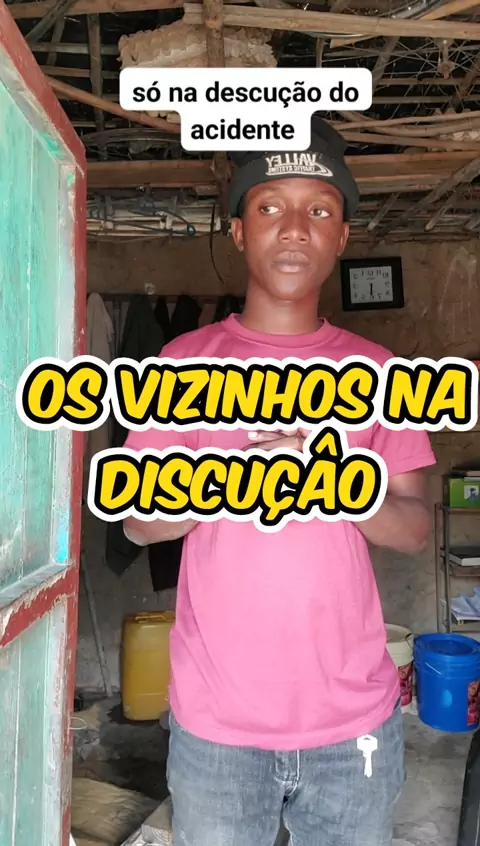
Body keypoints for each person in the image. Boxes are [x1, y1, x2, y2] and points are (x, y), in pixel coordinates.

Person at [123, 118, 436, 846]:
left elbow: (416, 528)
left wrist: (338, 481)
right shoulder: (180, 363)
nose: (295, 228)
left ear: (342, 237)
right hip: (218, 731)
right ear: (238, 231)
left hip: (351, 727)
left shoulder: (380, 372)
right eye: (270, 207)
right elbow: (138, 523)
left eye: (319, 210)